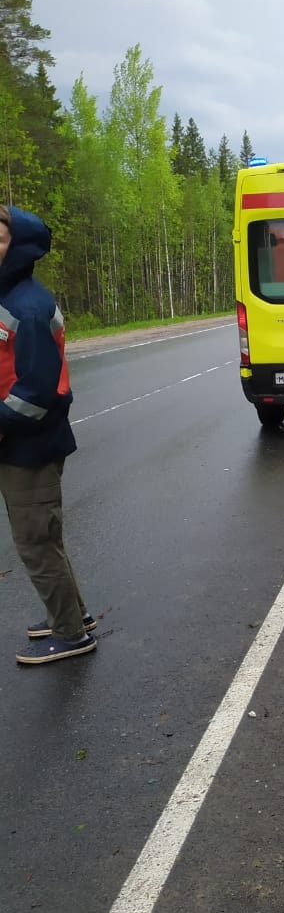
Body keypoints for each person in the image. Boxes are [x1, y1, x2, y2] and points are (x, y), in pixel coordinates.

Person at [0, 204, 97, 664]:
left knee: (36, 541)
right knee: (47, 538)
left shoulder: (29, 307)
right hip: (17, 441)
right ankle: (75, 615)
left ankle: (72, 634)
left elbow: (37, 393)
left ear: (18, 248)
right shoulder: (9, 298)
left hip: (29, 447)